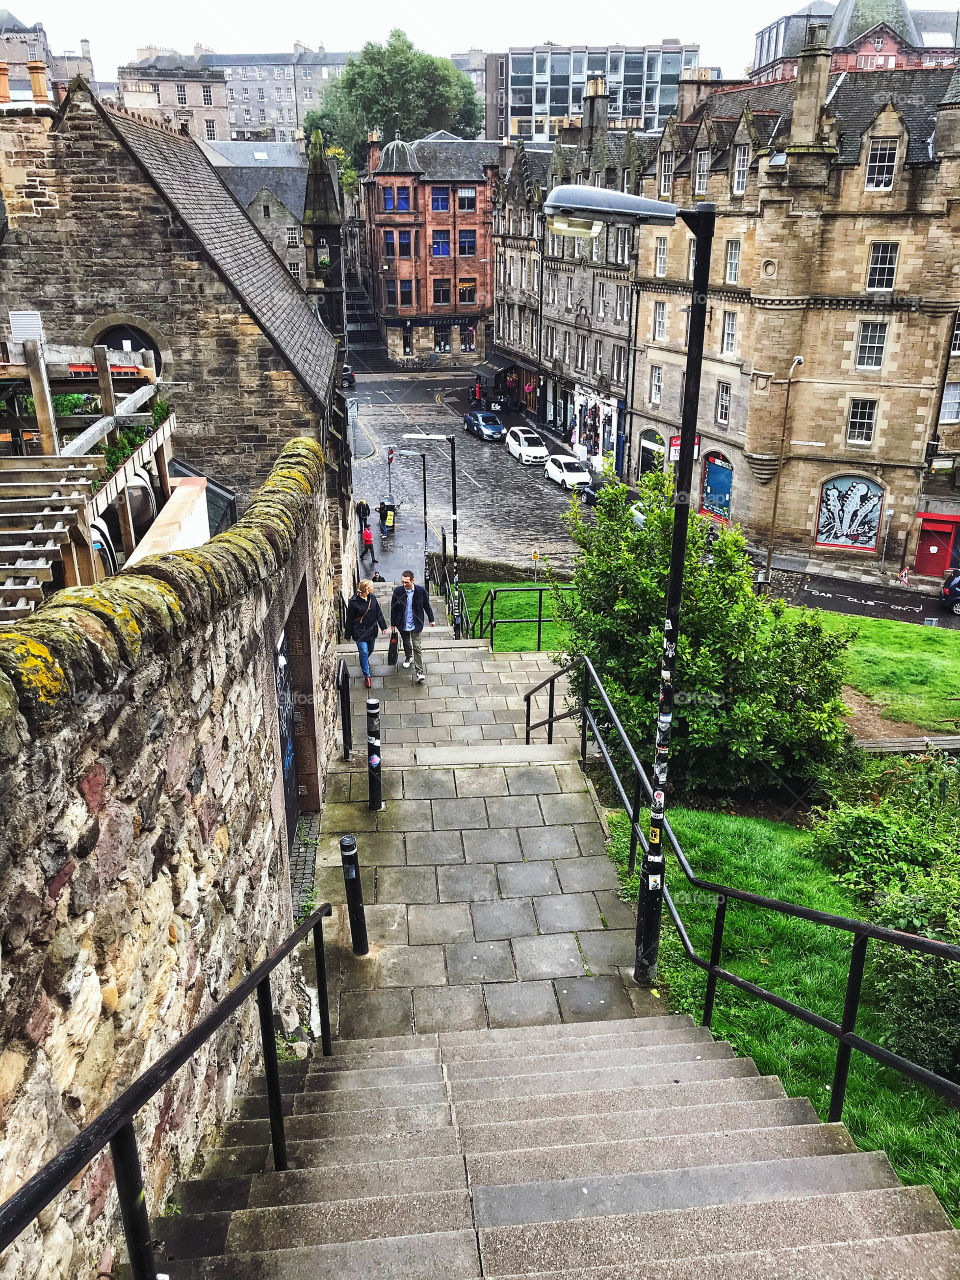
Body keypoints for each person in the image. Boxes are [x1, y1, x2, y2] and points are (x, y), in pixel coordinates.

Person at [390, 569, 435, 684]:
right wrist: (393, 623)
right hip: (402, 623)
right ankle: (408, 656)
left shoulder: (421, 591)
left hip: (416, 623)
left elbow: (427, 606)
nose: (404, 584)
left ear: (412, 580)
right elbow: (393, 608)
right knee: (406, 642)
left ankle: (419, 671)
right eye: (403, 582)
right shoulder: (398, 591)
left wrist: (431, 619)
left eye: (406, 582)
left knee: (417, 646)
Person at [344, 579, 387, 689]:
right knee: (363, 652)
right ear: (366, 589)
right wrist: (347, 634)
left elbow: (378, 611)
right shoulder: (353, 602)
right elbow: (349, 619)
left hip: (371, 630)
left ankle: (364, 662)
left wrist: (383, 626)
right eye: (371, 587)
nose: (372, 588)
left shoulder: (372, 598)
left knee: (370, 650)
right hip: (359, 631)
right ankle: (367, 676)